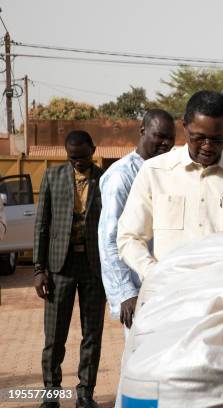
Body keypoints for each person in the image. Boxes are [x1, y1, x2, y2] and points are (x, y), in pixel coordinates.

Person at [117, 90, 223, 283]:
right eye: (198, 138)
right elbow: (129, 237)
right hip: (166, 294)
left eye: (217, 139)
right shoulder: (154, 172)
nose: (207, 146)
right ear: (184, 127)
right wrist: (154, 274)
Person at [33, 130, 106, 408]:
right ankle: (51, 395)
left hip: (93, 268)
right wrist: (39, 269)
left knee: (92, 335)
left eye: (83, 156)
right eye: (72, 157)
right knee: (54, 337)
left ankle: (85, 394)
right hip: (58, 268)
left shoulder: (105, 179)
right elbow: (41, 225)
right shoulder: (53, 177)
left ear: (93, 150)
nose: (77, 162)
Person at [99, 109, 176, 333]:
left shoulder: (168, 171)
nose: (166, 143)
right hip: (138, 293)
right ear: (142, 131)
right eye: (159, 136)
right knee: (141, 363)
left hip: (167, 289)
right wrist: (126, 293)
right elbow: (110, 240)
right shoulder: (121, 177)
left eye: (171, 138)